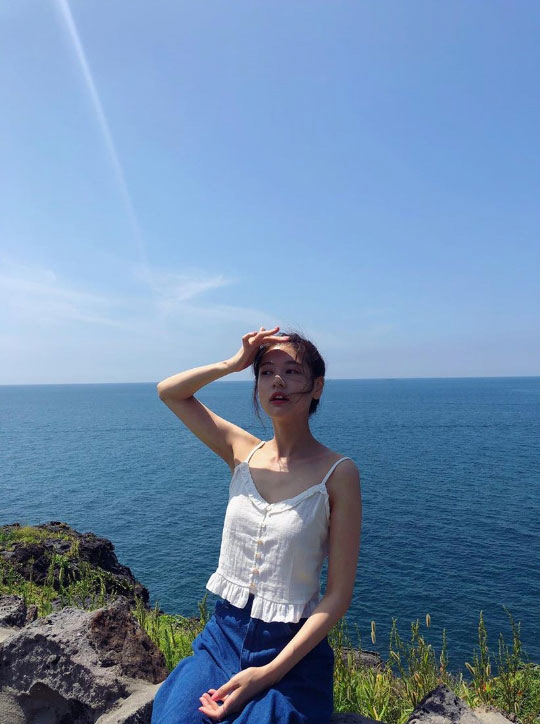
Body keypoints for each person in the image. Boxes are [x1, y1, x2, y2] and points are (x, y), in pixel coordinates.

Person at [151, 326, 362, 724]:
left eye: (292, 371)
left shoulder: (338, 474)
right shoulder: (241, 451)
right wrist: (234, 363)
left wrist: (267, 674)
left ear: (317, 387)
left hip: (290, 653)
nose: (277, 380)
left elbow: (338, 596)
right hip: (222, 637)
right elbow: (170, 392)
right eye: (266, 372)